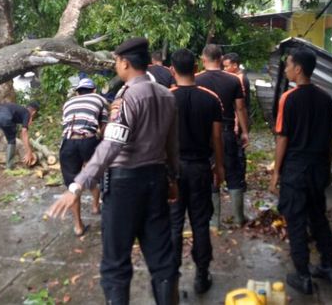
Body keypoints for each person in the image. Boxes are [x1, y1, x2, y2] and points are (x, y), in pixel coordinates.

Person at [47, 37, 180, 305]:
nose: (117, 66)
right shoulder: (167, 95)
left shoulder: (129, 96)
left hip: (125, 186)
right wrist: (173, 177)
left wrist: (78, 184)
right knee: (162, 259)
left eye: (117, 61)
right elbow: (172, 143)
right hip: (156, 181)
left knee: (116, 264)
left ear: (125, 63)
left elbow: (112, 144)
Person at [269, 48, 332, 295]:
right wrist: (328, 167)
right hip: (318, 167)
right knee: (318, 216)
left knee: (296, 222)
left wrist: (276, 171)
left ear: (298, 69)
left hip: (296, 170)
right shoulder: (326, 98)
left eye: (288, 65)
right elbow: (331, 139)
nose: (286, 69)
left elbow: (282, 139)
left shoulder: (289, 98)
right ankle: (329, 266)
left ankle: (303, 274)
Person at [168, 49, 224, 295]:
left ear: (172, 69)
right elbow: (216, 138)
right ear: (195, 68)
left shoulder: (165, 97)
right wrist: (219, 167)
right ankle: (202, 275)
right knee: (200, 223)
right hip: (201, 168)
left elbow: (160, 138)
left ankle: (171, 276)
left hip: (174, 170)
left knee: (174, 223)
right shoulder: (211, 98)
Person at [196, 44, 249, 227]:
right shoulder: (234, 80)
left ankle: (214, 222)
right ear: (220, 59)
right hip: (227, 131)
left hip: (205, 135)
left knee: (210, 174)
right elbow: (240, 108)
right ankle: (239, 218)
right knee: (233, 172)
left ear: (204, 59)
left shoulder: (197, 80)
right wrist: (245, 132)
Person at [59, 77, 109, 236]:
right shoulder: (99, 99)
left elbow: (66, 124)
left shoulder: (68, 103)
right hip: (88, 140)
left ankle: (78, 226)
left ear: (78, 92)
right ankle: (95, 207)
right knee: (91, 174)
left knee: (73, 184)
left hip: (68, 143)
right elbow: (104, 126)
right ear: (93, 90)